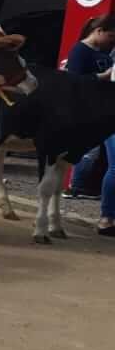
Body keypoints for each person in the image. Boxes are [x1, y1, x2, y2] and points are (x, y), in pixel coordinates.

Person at [67, 16, 115, 210]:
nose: (112, 41)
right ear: (99, 31)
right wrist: (104, 76)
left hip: (103, 109)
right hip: (88, 109)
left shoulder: (102, 52)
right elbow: (74, 81)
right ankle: (76, 185)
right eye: (111, 36)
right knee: (87, 151)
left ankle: (80, 185)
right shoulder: (80, 50)